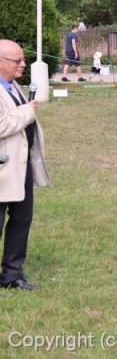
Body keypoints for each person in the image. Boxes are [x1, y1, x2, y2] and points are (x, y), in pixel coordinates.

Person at [0, 39, 50, 290]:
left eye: (23, 59)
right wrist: (28, 111)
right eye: (17, 60)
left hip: (21, 166)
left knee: (21, 220)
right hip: (2, 169)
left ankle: (12, 275)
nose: (23, 64)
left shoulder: (12, 86)